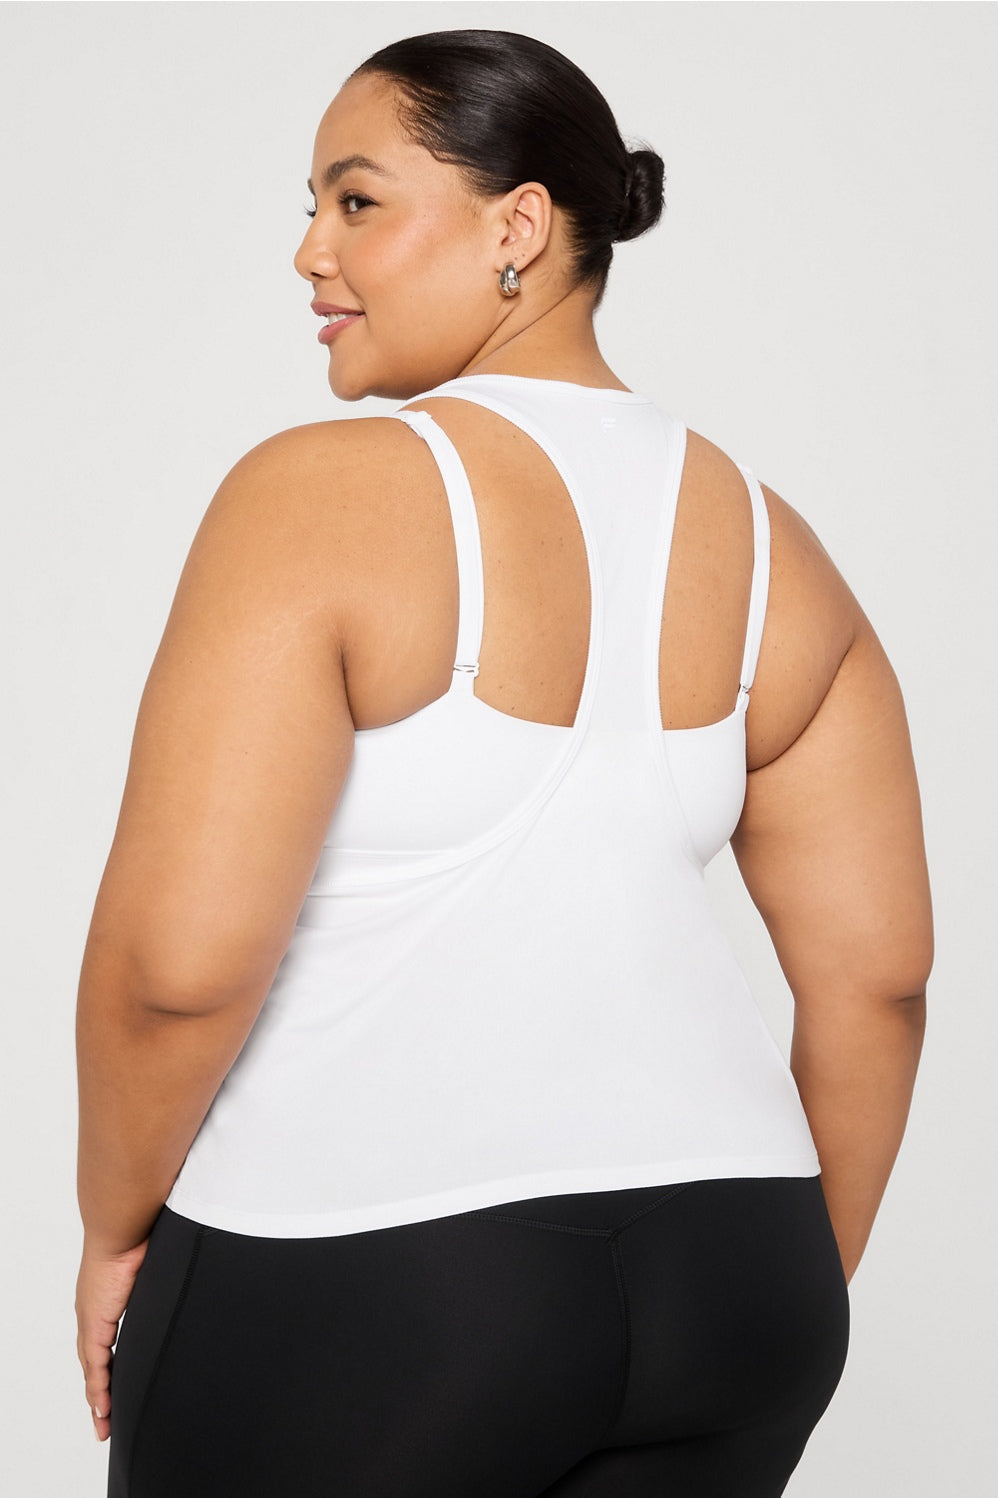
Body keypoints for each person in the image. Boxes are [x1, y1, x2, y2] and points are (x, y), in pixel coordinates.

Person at [74, 27, 932, 1498]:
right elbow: (880, 982)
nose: (309, 253)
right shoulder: (772, 546)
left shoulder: (316, 498)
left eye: (356, 201)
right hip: (738, 1276)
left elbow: (177, 970)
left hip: (378, 1285)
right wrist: (785, 1280)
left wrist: (112, 1227)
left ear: (518, 227)